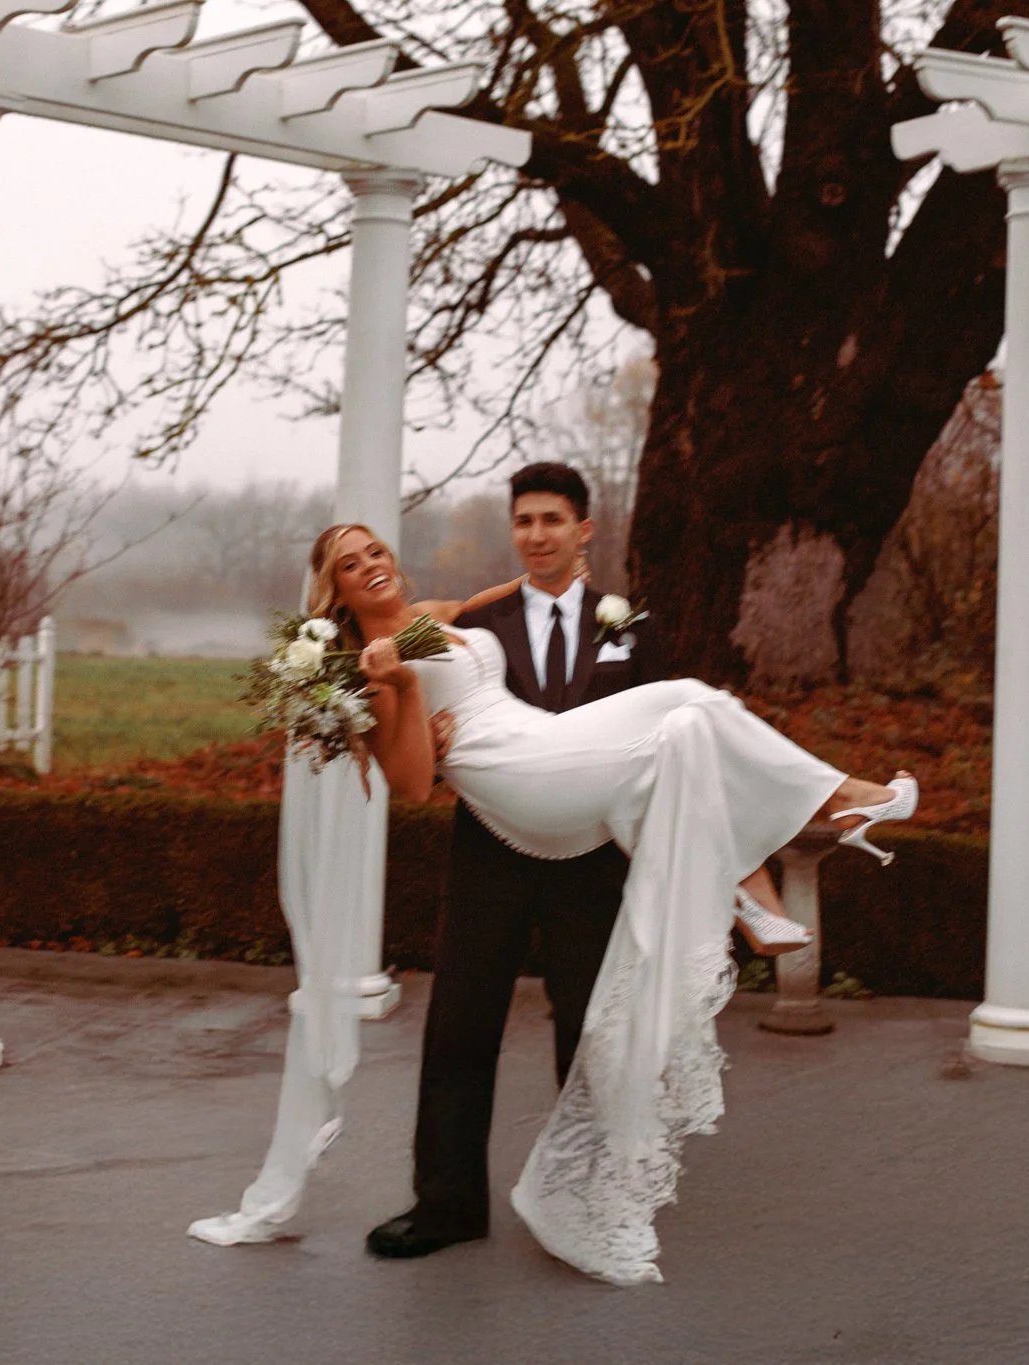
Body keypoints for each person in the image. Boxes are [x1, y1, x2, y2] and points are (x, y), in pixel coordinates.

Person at [323, 502, 917, 1286]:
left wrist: (558, 579)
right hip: (509, 795)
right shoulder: (371, 662)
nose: (371, 562)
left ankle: (596, 1184)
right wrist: (403, 704)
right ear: (334, 594)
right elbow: (407, 783)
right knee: (461, 1024)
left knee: (690, 730)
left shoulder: (443, 615)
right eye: (349, 562)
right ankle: (446, 1204)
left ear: (578, 530)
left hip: (576, 796)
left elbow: (493, 600)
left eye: (375, 548)